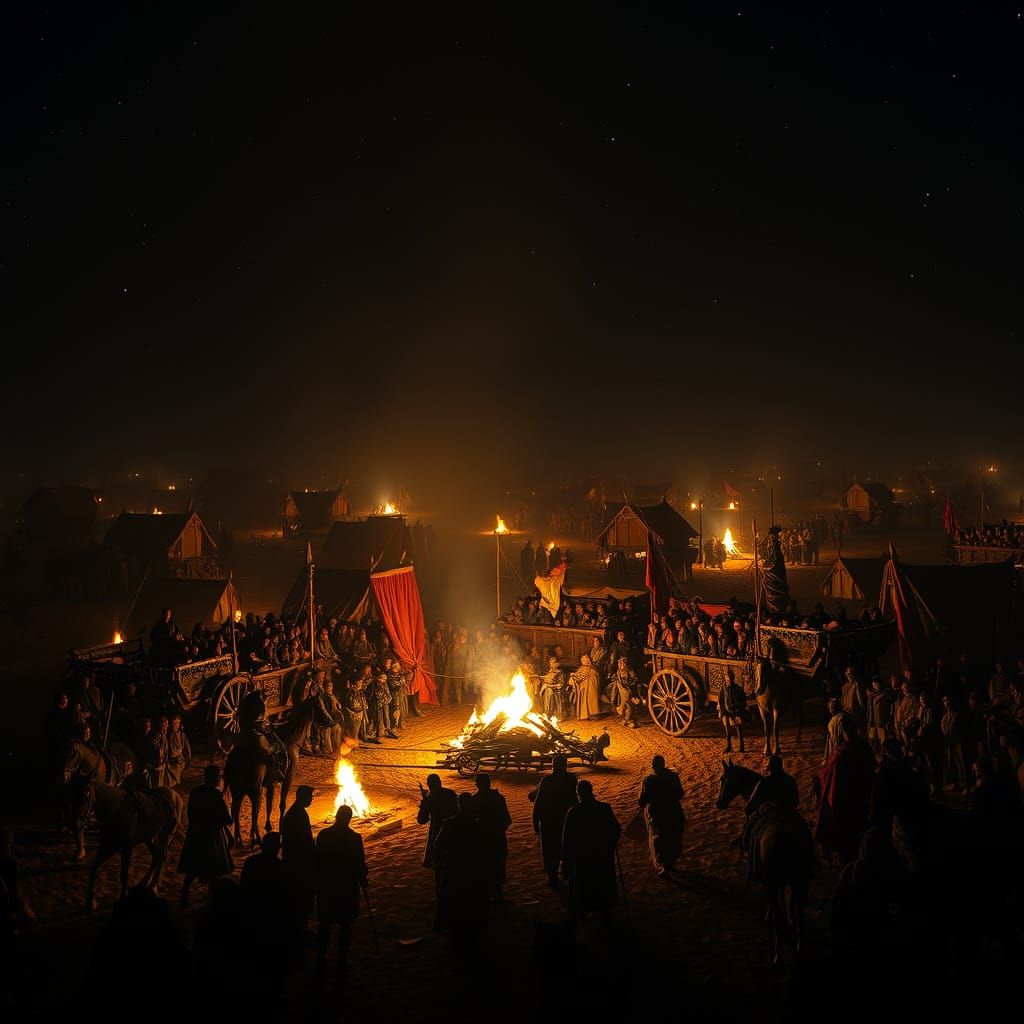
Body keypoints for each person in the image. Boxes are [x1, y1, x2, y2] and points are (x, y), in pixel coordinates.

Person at [315, 805, 367, 977]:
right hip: (346, 888)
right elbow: (360, 864)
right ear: (349, 819)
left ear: (336, 816)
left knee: (325, 925)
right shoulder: (355, 838)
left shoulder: (323, 835)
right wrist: (362, 879)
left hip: (327, 887)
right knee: (345, 926)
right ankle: (341, 961)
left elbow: (316, 861)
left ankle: (321, 959)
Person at [561, 779, 621, 924]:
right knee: (603, 881)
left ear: (578, 794)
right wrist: (611, 844)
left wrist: (565, 859)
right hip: (602, 855)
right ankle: (606, 910)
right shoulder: (604, 808)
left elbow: (566, 838)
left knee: (584, 884)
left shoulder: (574, 812)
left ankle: (585, 911)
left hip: (583, 857)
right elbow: (616, 829)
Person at [433, 792, 489, 943]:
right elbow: (485, 847)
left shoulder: (449, 824)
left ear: (458, 805)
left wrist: (443, 861)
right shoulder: (478, 824)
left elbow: (438, 846)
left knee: (455, 898)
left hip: (454, 867)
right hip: (473, 867)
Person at [178, 765, 234, 908]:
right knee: (214, 866)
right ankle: (211, 897)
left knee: (193, 866)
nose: (220, 780)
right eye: (219, 777)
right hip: (212, 836)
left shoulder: (195, 792)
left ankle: (184, 894)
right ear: (214, 778)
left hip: (195, 834)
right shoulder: (215, 795)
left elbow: (190, 814)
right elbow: (225, 819)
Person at [531, 753, 578, 888]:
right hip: (566, 819)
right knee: (566, 844)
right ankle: (566, 870)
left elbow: (538, 802)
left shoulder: (546, 781)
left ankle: (552, 875)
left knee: (551, 847)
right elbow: (575, 798)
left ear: (553, 766)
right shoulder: (571, 779)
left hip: (550, 820)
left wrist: (535, 820)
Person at [638, 755, 685, 878]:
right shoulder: (673, 776)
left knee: (661, 841)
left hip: (658, 816)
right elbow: (680, 794)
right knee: (673, 838)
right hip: (674, 813)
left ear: (653, 766)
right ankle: (671, 863)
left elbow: (642, 800)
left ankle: (665, 867)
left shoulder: (648, 780)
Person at [470, 773, 512, 903]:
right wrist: (498, 831)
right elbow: (507, 820)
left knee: (483, 869)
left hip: (482, 841)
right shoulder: (498, 798)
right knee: (497, 868)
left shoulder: (474, 801)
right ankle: (497, 895)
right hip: (497, 839)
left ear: (477, 784)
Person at [281, 785, 316, 933]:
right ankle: (299, 930)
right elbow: (301, 841)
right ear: (302, 797)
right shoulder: (298, 814)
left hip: (295, 860)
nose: (311, 800)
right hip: (298, 863)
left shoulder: (296, 812)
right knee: (300, 898)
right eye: (310, 797)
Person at [417, 773, 458, 893]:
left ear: (429, 785)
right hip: (454, 835)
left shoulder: (430, 798)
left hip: (437, 836)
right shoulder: (450, 793)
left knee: (439, 871)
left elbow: (421, 820)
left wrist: (424, 801)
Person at [718, 668, 746, 753]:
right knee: (727, 728)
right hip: (727, 710)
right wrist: (722, 710)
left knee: (738, 727)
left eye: (729, 680)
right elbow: (721, 699)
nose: (728, 682)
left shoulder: (738, 689)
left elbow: (742, 700)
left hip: (736, 710)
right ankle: (729, 746)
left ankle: (741, 746)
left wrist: (739, 709)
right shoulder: (723, 688)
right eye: (727, 680)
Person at [569, 654, 602, 720]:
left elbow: (583, 676)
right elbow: (578, 676)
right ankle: (585, 715)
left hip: (591, 686)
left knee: (591, 701)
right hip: (583, 687)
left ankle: (594, 716)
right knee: (584, 700)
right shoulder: (581, 668)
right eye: (582, 660)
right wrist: (573, 676)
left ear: (588, 659)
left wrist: (575, 676)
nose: (583, 661)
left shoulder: (592, 668)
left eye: (584, 659)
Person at [165, 713, 191, 788]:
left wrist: (188, 758)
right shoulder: (168, 734)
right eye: (174, 723)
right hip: (170, 758)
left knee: (176, 769)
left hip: (179, 759)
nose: (175, 725)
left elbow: (187, 747)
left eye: (177, 723)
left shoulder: (182, 735)